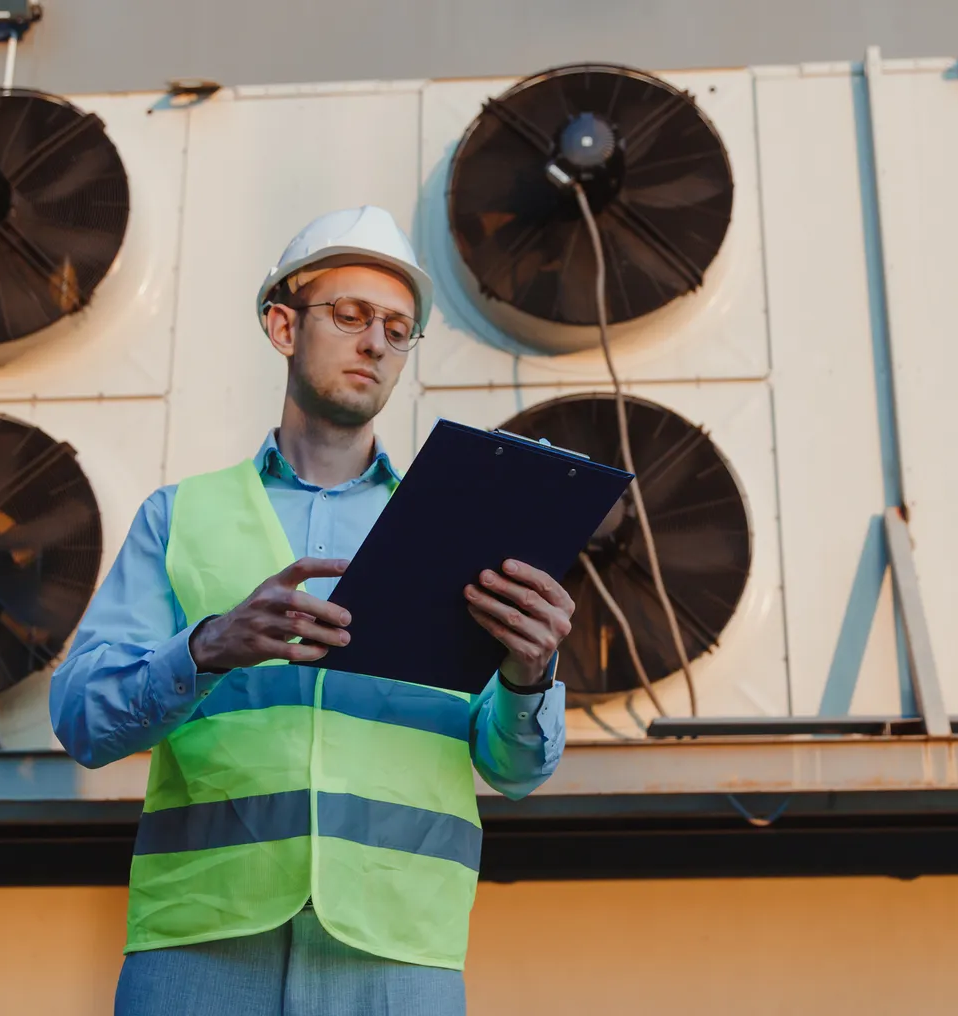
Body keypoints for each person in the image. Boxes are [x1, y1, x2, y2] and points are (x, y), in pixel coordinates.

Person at [49, 205, 572, 1016]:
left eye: (398, 329)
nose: (374, 343)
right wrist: (209, 647)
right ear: (283, 326)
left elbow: (517, 770)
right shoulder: (180, 516)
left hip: (399, 944)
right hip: (200, 936)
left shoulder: (464, 531)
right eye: (352, 315)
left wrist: (530, 677)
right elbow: (82, 720)